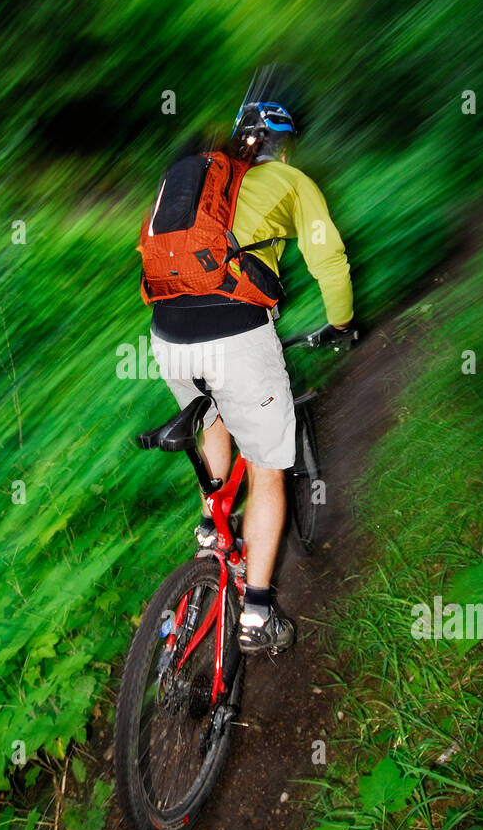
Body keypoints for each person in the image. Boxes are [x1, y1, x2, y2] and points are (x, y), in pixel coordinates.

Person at [148, 97, 354, 654]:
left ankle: (211, 529)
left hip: (165, 335)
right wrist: (341, 322)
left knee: (213, 415)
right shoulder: (289, 180)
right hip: (237, 333)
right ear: (283, 145)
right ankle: (258, 614)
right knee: (268, 468)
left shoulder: (200, 178)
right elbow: (327, 257)